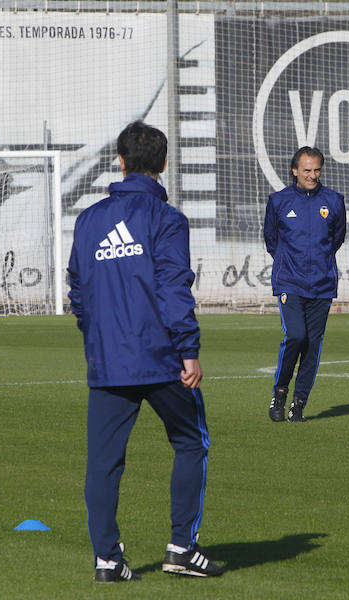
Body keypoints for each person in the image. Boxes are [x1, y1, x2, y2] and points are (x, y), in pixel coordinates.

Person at [67, 121, 223, 582]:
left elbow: (77, 289)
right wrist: (188, 349)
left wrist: (95, 333)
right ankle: (180, 548)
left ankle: (107, 561)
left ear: (119, 161)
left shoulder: (89, 219)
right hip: (161, 358)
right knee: (192, 441)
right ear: (164, 163)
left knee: (103, 462)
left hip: (108, 360)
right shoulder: (167, 219)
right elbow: (173, 286)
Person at [263, 146, 346, 423]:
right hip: (290, 282)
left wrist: (319, 263)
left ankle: (299, 404)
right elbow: (271, 241)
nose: (312, 175)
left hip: (322, 284)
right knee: (296, 336)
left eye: (317, 170)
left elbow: (337, 238)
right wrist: (290, 264)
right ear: (294, 170)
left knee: (312, 345)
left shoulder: (334, 201)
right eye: (307, 170)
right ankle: (280, 391)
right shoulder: (279, 201)